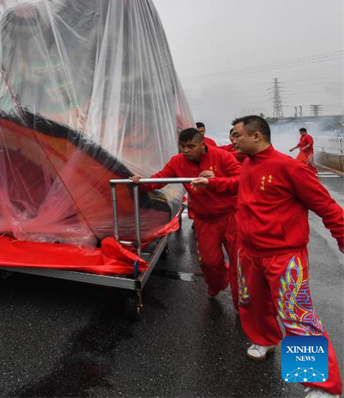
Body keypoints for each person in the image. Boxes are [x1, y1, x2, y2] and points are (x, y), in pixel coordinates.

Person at [193, 115, 343, 397]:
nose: (232, 140)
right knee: (253, 304)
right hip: (249, 253)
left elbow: (327, 207)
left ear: (257, 136)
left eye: (236, 135)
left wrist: (342, 237)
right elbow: (239, 187)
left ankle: (320, 386)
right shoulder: (247, 164)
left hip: (283, 257)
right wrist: (213, 183)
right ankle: (266, 340)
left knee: (296, 317)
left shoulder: (291, 168)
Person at [131, 128, 241, 306]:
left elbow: (241, 180)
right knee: (209, 262)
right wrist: (139, 181)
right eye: (182, 146)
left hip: (232, 217)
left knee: (240, 264)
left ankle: (241, 305)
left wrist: (214, 180)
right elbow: (160, 179)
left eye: (191, 146)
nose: (186, 151)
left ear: (202, 144)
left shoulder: (222, 157)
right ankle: (218, 283)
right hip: (205, 220)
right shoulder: (177, 162)